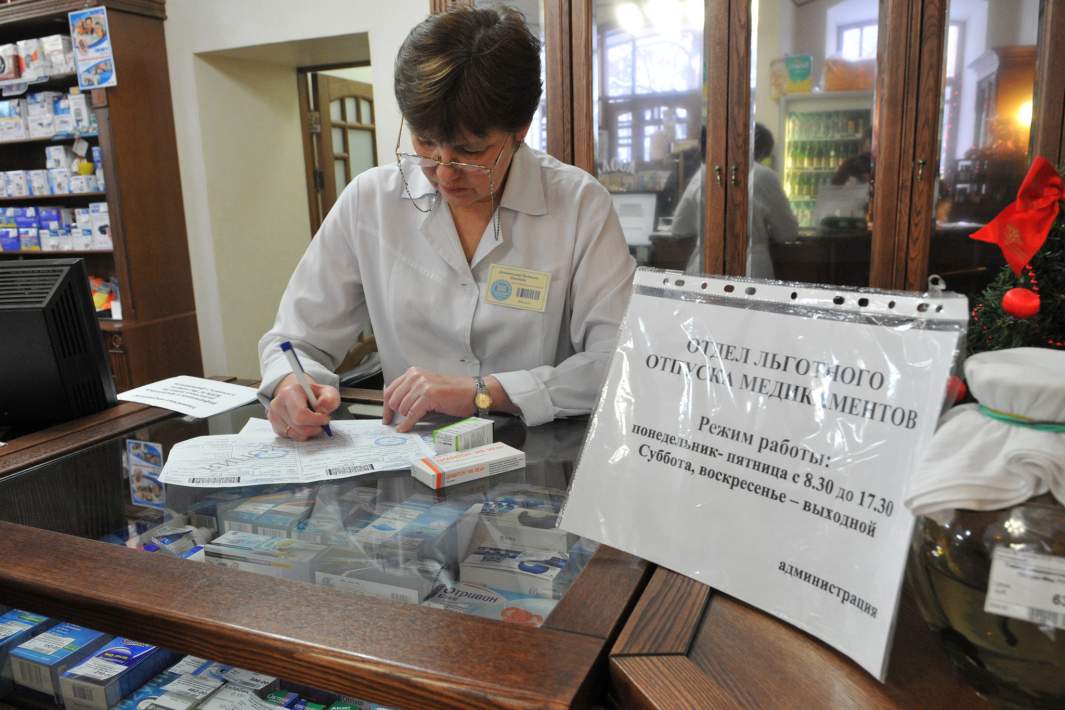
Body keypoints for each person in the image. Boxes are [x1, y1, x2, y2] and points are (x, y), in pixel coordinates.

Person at [259, 6, 635, 440]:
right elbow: (295, 339)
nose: (442, 171)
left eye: (470, 152)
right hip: (412, 459)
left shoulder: (578, 205)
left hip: (537, 457)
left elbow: (617, 359)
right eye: (424, 143)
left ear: (521, 130)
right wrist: (293, 384)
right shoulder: (370, 202)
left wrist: (488, 392)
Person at [674, 123, 796, 277]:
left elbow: (679, 228)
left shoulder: (704, 173)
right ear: (761, 151)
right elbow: (787, 232)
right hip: (751, 268)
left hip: (704, 266)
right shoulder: (764, 176)